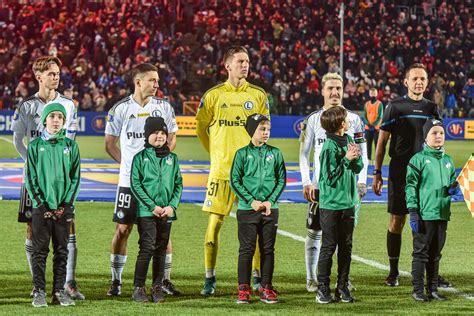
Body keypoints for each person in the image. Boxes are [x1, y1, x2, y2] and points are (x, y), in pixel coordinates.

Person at [195, 46, 270, 295]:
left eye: (247, 61)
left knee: (254, 227)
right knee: (214, 226)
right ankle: (209, 277)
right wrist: (215, 154)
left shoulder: (258, 96)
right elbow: (200, 129)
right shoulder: (214, 96)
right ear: (227, 65)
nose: (245, 65)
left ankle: (257, 277)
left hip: (250, 176)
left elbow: (263, 133)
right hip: (221, 173)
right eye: (240, 61)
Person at [10, 56, 84, 300]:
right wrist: (33, 163)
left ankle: (68, 284)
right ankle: (37, 284)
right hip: (33, 180)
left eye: (58, 72)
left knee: (68, 225)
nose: (56, 76)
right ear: (38, 76)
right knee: (33, 228)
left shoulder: (68, 105)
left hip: (61, 180)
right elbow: (17, 139)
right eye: (51, 73)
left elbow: (70, 140)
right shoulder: (27, 105)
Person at [105, 63, 179, 296]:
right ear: (138, 82)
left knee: (162, 231)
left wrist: (157, 166)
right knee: (123, 228)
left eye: (157, 80)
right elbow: (109, 144)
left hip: (157, 183)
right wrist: (132, 168)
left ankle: (163, 281)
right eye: (152, 80)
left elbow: (172, 138)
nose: (157, 84)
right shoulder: (120, 109)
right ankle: (116, 281)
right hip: (129, 183)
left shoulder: (164, 107)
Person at [371, 63, 447, 287]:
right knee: (397, 221)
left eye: (422, 79)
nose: (419, 82)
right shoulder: (394, 106)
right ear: (406, 82)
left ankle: (430, 273)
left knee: (429, 222)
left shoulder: (432, 108)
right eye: (414, 79)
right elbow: (382, 143)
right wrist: (376, 173)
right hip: (400, 172)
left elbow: (437, 140)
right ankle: (393, 272)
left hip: (427, 173)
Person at [299, 72, 368, 292]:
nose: (335, 92)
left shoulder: (354, 120)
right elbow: (303, 153)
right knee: (315, 231)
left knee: (344, 236)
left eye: (338, 88)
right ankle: (312, 278)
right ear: (322, 91)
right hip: (321, 188)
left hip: (347, 189)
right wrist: (306, 182)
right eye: (330, 88)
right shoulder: (312, 120)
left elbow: (363, 153)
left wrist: (362, 182)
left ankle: (342, 280)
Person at [25, 103, 80, 307]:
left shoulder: (71, 146)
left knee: (62, 251)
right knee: (40, 251)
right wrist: (42, 205)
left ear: (64, 121)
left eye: (60, 117)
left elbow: (75, 178)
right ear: (45, 120)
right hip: (42, 209)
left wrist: (65, 204)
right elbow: (31, 178)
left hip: (63, 208)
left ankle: (58, 292)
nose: (56, 120)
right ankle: (39, 291)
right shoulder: (34, 146)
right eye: (52, 116)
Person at [230, 114, 286, 304]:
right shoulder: (241, 154)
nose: (266, 133)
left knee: (268, 250)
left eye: (268, 130)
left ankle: (266, 288)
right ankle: (243, 290)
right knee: (246, 250)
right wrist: (251, 200)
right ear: (252, 131)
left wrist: (270, 201)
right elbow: (234, 181)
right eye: (262, 129)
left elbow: (281, 180)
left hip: (270, 209)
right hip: (247, 209)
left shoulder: (276, 153)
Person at [130, 117, 183, 303]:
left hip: (166, 212)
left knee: (161, 250)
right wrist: (152, 206)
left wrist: (171, 206)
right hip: (147, 212)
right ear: (147, 135)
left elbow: (178, 184)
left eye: (162, 133)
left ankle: (157, 287)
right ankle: (138, 288)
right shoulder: (140, 158)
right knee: (146, 249)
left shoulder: (172, 158)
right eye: (155, 133)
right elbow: (135, 185)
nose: (160, 136)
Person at [316, 106, 363, 304]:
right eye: (345, 118)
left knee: (346, 247)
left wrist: (357, 159)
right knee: (328, 247)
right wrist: (345, 159)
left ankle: (342, 287)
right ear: (339, 123)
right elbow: (328, 178)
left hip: (348, 203)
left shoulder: (350, 140)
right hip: (331, 205)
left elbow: (357, 168)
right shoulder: (328, 146)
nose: (348, 120)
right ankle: (322, 289)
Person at [406, 119, 457, 302]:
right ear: (425, 137)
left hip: (442, 214)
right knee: (421, 253)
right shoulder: (418, 159)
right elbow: (410, 187)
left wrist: (452, 190)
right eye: (434, 133)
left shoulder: (448, 160)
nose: (438, 136)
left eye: (441, 133)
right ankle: (418, 290)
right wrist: (413, 211)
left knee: (436, 254)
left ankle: (433, 289)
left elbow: (449, 186)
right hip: (424, 214)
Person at [362, 88, 384, 162]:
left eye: (374, 93)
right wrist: (368, 124)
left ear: (376, 94)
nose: (373, 94)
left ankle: (376, 160)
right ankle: (368, 159)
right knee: (368, 145)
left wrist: (374, 125)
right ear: (369, 94)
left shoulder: (379, 104)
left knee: (377, 145)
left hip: (376, 128)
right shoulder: (366, 104)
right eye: (371, 93)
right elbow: (364, 115)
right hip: (368, 128)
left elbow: (380, 116)